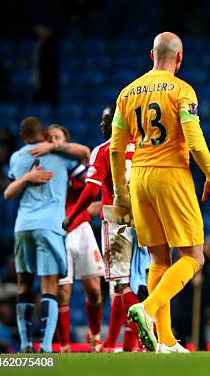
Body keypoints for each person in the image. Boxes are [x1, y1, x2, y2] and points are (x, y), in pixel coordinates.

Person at [111, 32, 210, 353]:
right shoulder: (181, 89)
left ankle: (166, 340)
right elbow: (193, 133)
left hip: (139, 179)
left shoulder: (127, 92)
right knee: (194, 256)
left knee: (159, 257)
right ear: (180, 58)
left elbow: (117, 149)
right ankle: (147, 309)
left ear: (151, 55)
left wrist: (120, 190)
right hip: (171, 174)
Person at [63, 106, 146, 352]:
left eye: (105, 119)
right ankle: (120, 343)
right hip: (143, 216)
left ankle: (145, 331)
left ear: (116, 122)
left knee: (121, 284)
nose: (102, 123)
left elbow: (90, 191)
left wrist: (73, 215)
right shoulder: (143, 148)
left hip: (117, 215)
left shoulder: (104, 150)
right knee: (141, 281)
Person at [4, 116, 87, 353]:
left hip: (22, 227)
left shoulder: (17, 157)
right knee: (49, 285)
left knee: (24, 284)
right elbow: (84, 156)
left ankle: (25, 344)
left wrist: (27, 178)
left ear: (22, 136)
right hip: (49, 227)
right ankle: (48, 346)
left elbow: (9, 191)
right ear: (43, 134)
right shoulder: (60, 156)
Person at [45, 124, 104, 353]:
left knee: (95, 290)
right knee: (63, 292)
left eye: (57, 137)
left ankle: (96, 337)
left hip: (82, 230)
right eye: (48, 138)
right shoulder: (43, 169)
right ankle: (65, 345)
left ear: (66, 141)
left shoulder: (73, 167)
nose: (53, 141)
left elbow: (88, 162)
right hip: (58, 233)